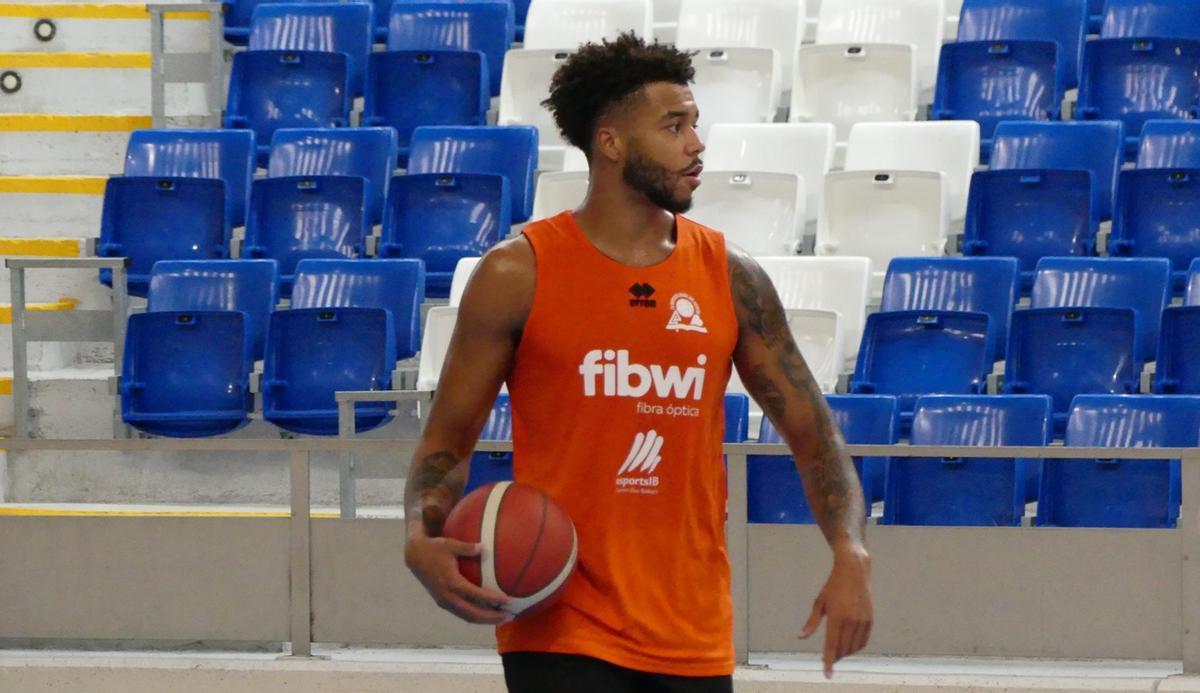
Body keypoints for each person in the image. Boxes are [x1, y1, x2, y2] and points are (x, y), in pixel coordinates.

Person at [404, 32, 873, 693]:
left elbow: (814, 433)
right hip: (560, 622)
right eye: (674, 125)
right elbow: (446, 441)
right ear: (612, 142)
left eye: (695, 124)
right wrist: (419, 534)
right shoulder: (518, 274)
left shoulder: (733, 278)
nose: (696, 144)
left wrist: (849, 551)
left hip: (692, 628)